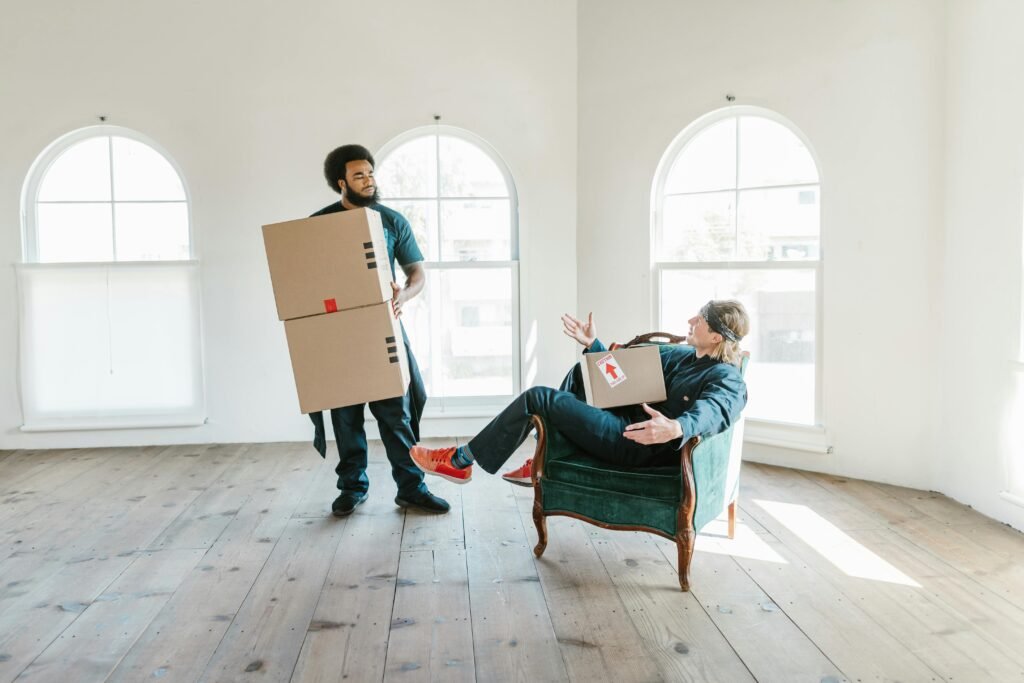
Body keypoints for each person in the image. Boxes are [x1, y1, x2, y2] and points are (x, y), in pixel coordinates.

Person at [409, 300, 750, 484]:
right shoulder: (682, 355)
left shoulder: (726, 378)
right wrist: (594, 345)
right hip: (621, 418)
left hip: (637, 444)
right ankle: (549, 456)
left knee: (538, 397)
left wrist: (677, 427)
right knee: (581, 372)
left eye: (701, 318)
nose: (691, 319)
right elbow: (624, 373)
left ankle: (460, 460)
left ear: (717, 336)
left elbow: (717, 410)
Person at [308, 144, 449, 516]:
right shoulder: (318, 225)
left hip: (382, 329)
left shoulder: (391, 221)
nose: (369, 180)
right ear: (341, 182)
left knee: (396, 414)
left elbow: (417, 274)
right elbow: (305, 280)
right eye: (359, 175)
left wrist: (405, 294)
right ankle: (352, 488)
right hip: (339, 335)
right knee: (346, 415)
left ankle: (411, 488)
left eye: (370, 173)